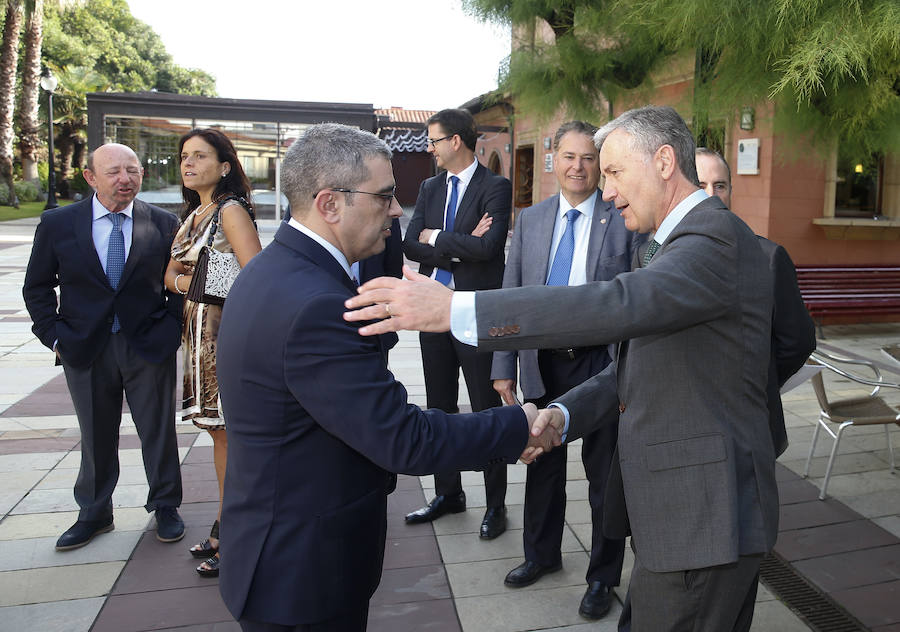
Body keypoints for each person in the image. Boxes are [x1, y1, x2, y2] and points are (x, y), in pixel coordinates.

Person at [345, 105, 779, 632]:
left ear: (664, 162)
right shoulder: (672, 242)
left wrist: (458, 308)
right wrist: (564, 414)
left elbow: (612, 305)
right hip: (683, 517)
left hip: (707, 519)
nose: (608, 187)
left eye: (615, 171)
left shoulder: (712, 240)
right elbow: (638, 364)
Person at [214, 123, 554, 632]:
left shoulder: (276, 271)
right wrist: (515, 425)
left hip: (286, 551)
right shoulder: (315, 305)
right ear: (330, 204)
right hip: (301, 575)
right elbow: (404, 439)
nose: (398, 211)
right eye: (386, 196)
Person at [491, 121, 641, 619]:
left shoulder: (621, 218)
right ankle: (541, 555)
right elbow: (512, 294)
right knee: (542, 465)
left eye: (589, 158)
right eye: (570, 156)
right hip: (542, 363)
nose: (579, 166)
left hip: (600, 365)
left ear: (600, 165)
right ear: (554, 159)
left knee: (604, 479)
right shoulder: (530, 220)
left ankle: (602, 576)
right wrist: (503, 364)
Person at [23, 143, 185, 550]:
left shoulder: (165, 223)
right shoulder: (59, 224)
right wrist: (55, 337)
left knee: (158, 430)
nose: (125, 179)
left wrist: (170, 328)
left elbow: (181, 283)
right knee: (96, 434)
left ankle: (165, 505)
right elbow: (37, 287)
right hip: (85, 347)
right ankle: (94, 513)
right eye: (113, 171)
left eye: (132, 170)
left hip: (147, 345)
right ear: (91, 178)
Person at [402, 108, 513, 540]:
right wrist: (453, 244)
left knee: (485, 408)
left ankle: (496, 505)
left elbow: (488, 249)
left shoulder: (495, 186)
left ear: (456, 141)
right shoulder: (430, 187)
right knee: (439, 405)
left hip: (473, 310)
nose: (428, 148)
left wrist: (438, 238)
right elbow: (412, 243)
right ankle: (449, 494)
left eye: (433, 140)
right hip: (433, 310)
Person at [164, 128, 262, 578]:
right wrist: (192, 282)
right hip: (196, 334)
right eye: (184, 156)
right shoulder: (193, 213)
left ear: (224, 167)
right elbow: (170, 276)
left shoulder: (230, 211)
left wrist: (196, 282)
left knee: (230, 436)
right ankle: (229, 526)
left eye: (199, 156)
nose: (188, 163)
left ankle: (237, 533)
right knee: (218, 435)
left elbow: (256, 276)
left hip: (223, 337)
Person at [695, 147, 816, 456]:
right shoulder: (654, 254)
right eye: (700, 185)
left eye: (719, 186)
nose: (711, 195)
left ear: (731, 191)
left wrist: (755, 380)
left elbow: (797, 341)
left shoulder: (769, 257)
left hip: (749, 428)